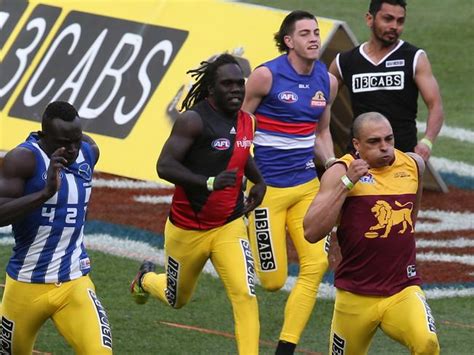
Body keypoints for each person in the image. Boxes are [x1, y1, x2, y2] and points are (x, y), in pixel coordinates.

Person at [129, 54, 266, 355]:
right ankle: (146, 279)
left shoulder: (248, 120)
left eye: (239, 84)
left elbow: (241, 152)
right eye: (226, 84)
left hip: (229, 225)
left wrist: (259, 182)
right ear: (210, 90)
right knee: (176, 299)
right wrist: (208, 182)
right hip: (188, 229)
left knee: (245, 293)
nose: (235, 90)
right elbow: (164, 166)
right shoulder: (193, 120)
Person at [304, 112, 440, 355]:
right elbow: (312, 231)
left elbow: (410, 219)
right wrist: (347, 183)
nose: (385, 147)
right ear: (356, 144)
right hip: (355, 295)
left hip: (402, 289)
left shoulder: (413, 165)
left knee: (427, 343)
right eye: (374, 142)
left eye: (389, 139)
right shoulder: (340, 171)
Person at [242, 10, 338, 354]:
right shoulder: (265, 76)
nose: (314, 38)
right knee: (272, 281)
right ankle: (241, 233)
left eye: (316, 32)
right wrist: (245, 173)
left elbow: (322, 131)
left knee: (316, 264)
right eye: (305, 34)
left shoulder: (326, 81)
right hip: (268, 191)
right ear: (289, 41)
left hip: (307, 188)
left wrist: (330, 163)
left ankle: (286, 347)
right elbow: (242, 126)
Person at [0, 101, 112, 354]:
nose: (73, 149)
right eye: (64, 142)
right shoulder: (23, 159)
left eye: (76, 139)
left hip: (74, 282)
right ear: (44, 136)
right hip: (26, 285)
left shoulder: (89, 151)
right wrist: (45, 193)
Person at [329, 0, 444, 162]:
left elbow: (435, 105)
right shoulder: (345, 61)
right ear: (370, 19)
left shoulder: (414, 58)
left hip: (403, 158)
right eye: (388, 19)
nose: (394, 26)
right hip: (360, 159)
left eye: (400, 21)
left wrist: (427, 142)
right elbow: (321, 104)